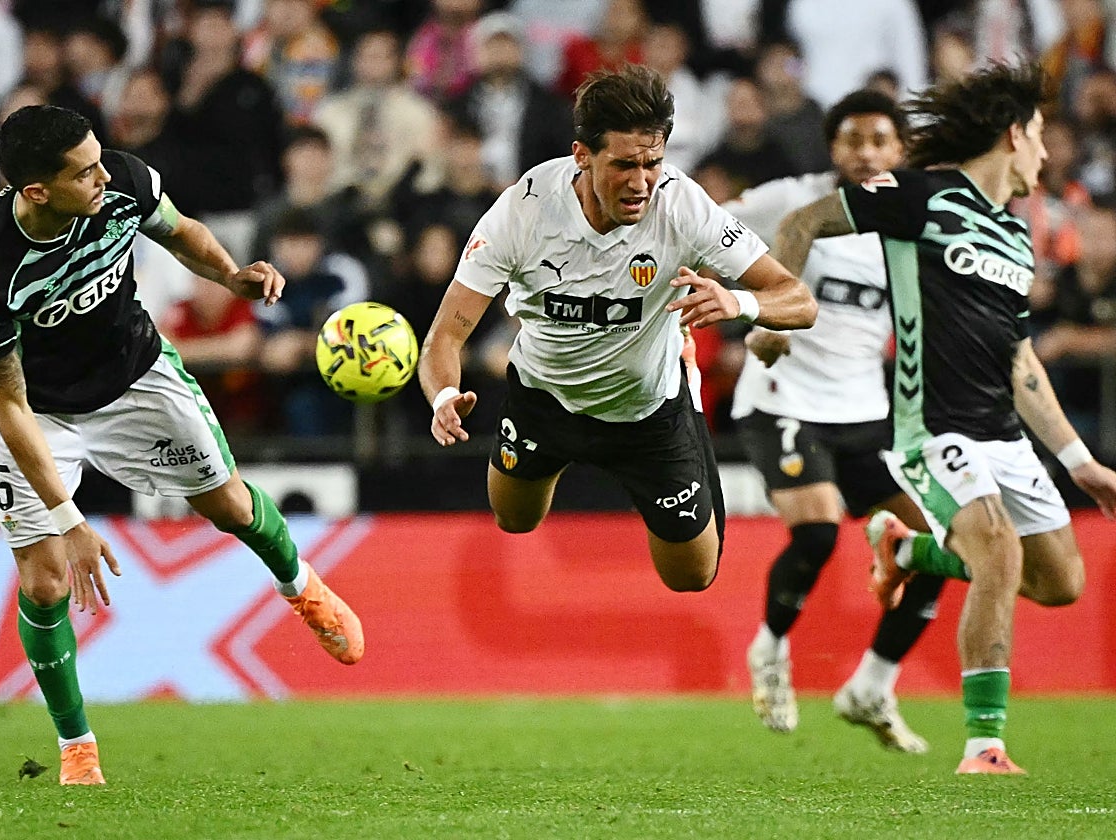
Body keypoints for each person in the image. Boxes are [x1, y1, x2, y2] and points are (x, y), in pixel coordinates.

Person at [0, 105, 363, 787]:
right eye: (85, 171)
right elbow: (7, 401)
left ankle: (304, 588)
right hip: (40, 412)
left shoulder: (123, 185)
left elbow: (180, 232)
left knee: (229, 504)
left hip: (136, 377)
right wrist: (69, 520)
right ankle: (77, 747)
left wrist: (230, 274)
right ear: (36, 192)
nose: (104, 175)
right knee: (44, 578)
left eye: (101, 158)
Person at [774, 62, 1116, 775]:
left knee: (1062, 583)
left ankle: (906, 552)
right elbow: (805, 219)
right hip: (932, 428)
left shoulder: (1016, 239)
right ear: (1014, 133)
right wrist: (774, 311)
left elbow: (1021, 363)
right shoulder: (918, 193)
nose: (1047, 154)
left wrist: (1079, 461)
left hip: (1004, 434)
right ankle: (984, 745)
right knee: (996, 547)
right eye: (1042, 137)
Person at [418, 64, 816, 598]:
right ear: (582, 155)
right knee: (514, 520)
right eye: (624, 165)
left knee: (693, 577)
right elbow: (444, 337)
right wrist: (443, 394)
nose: (641, 182)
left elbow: (799, 300)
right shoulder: (523, 210)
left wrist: (737, 300)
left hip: (647, 411)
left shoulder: (682, 205)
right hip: (545, 397)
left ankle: (676, 411)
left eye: (653, 162)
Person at [730, 89, 941, 752]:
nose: (865, 152)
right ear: (833, 148)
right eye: (852, 140)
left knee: (940, 546)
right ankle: (769, 651)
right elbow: (708, 228)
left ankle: (873, 685)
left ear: (902, 150)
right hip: (782, 399)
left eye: (880, 140)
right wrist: (746, 308)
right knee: (818, 533)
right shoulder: (788, 200)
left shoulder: (913, 219)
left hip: (865, 414)